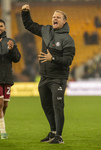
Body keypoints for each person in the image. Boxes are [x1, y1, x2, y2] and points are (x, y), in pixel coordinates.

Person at [21, 5, 75, 144]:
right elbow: (29, 25)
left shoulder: (68, 39)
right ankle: (53, 132)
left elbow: (68, 60)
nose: (54, 18)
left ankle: (59, 136)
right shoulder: (46, 30)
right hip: (44, 77)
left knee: (58, 106)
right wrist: (25, 12)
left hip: (58, 78)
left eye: (58, 17)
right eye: (53, 17)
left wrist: (53, 58)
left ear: (64, 22)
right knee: (46, 106)